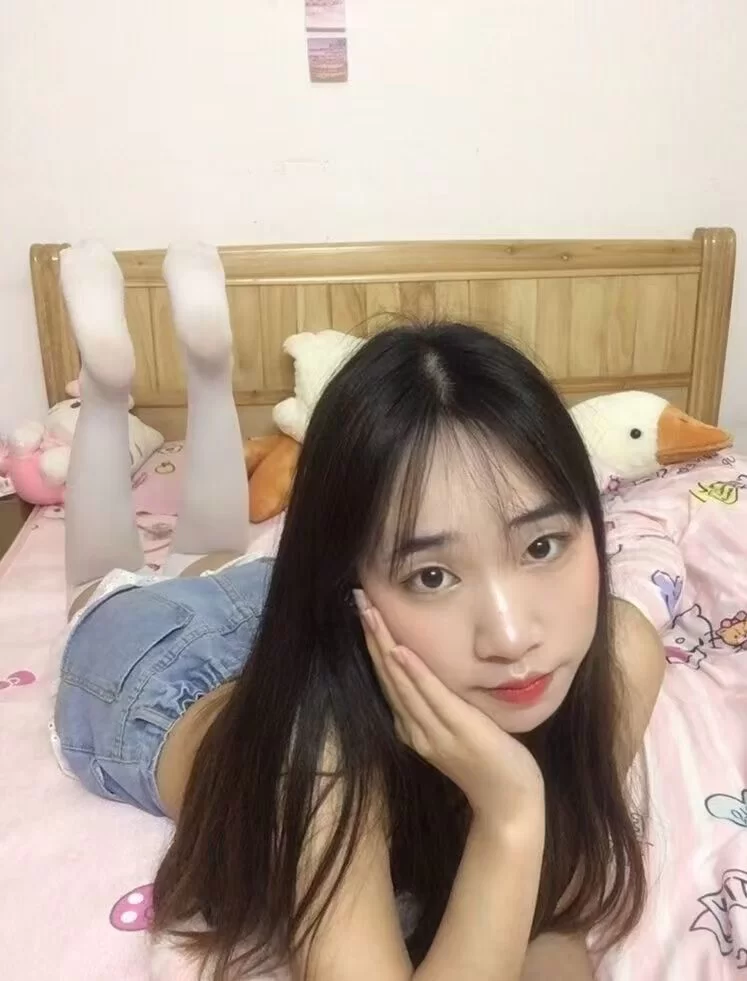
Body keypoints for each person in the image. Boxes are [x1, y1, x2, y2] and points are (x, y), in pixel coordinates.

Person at [52, 240, 664, 981]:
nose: (511, 637)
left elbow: (549, 921)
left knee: (212, 552)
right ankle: (111, 396)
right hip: (152, 671)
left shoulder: (623, 650)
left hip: (295, 607)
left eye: (540, 546)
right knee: (103, 579)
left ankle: (209, 375)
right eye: (433, 574)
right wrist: (510, 813)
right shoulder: (319, 764)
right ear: (350, 590)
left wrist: (524, 828)